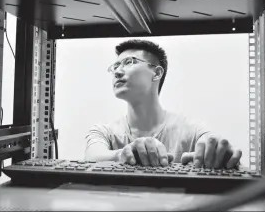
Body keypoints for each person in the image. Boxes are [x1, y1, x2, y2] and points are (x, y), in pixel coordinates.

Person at [85, 39, 242, 168]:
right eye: (115, 66)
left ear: (157, 73)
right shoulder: (104, 132)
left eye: (129, 62)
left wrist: (218, 153)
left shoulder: (191, 131)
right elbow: (92, 156)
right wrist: (122, 154)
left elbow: (210, 141)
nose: (118, 72)